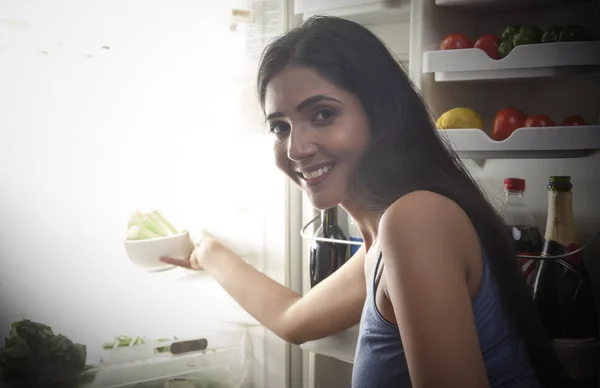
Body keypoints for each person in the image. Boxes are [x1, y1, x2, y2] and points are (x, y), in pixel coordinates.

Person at [161, 15, 567, 388]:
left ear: (379, 114)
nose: (297, 147)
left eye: (322, 114)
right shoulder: (383, 241)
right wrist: (205, 250)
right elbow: (292, 320)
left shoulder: (414, 221)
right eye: (280, 126)